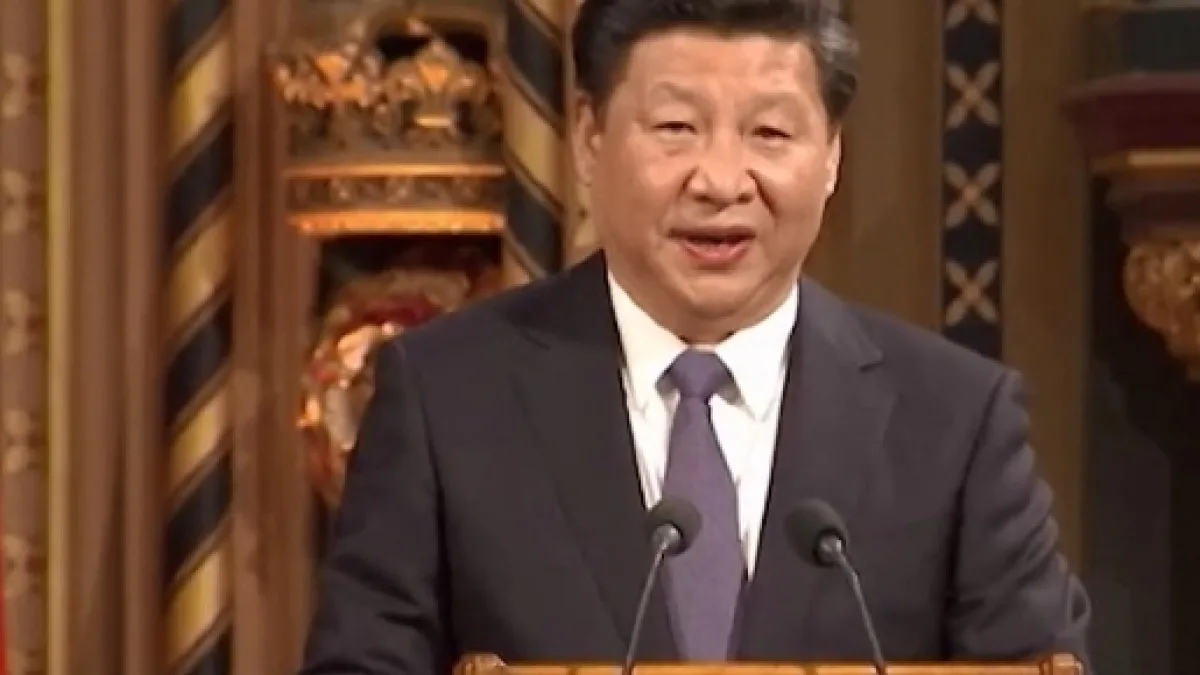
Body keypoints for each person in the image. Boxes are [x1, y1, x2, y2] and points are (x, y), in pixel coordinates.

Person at [298, 0, 1093, 672]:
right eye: (676, 127)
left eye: (770, 134)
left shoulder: (954, 420)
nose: (720, 180)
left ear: (831, 155)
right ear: (589, 138)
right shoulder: (447, 397)